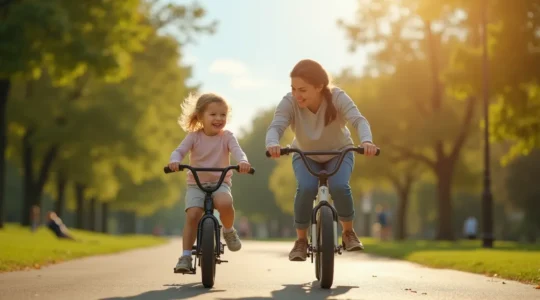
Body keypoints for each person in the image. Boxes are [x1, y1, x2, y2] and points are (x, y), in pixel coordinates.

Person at [266, 59, 378, 261]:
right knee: (306, 188)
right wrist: (272, 143)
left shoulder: (337, 97)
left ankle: (347, 232)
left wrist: (367, 141)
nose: (296, 95)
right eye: (293, 88)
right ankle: (301, 241)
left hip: (339, 153)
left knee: (340, 187)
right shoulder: (289, 102)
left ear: (319, 86)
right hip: (305, 155)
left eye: (302, 89)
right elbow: (276, 126)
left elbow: (358, 120)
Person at [168, 92, 252, 272]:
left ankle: (228, 231)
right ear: (200, 116)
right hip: (196, 184)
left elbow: (238, 151)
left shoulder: (227, 136)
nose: (218, 118)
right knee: (192, 215)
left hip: (220, 182)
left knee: (225, 202)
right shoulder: (193, 137)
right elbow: (179, 151)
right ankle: (185, 256)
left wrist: (243, 162)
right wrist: (174, 161)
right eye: (213, 114)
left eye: (222, 114)